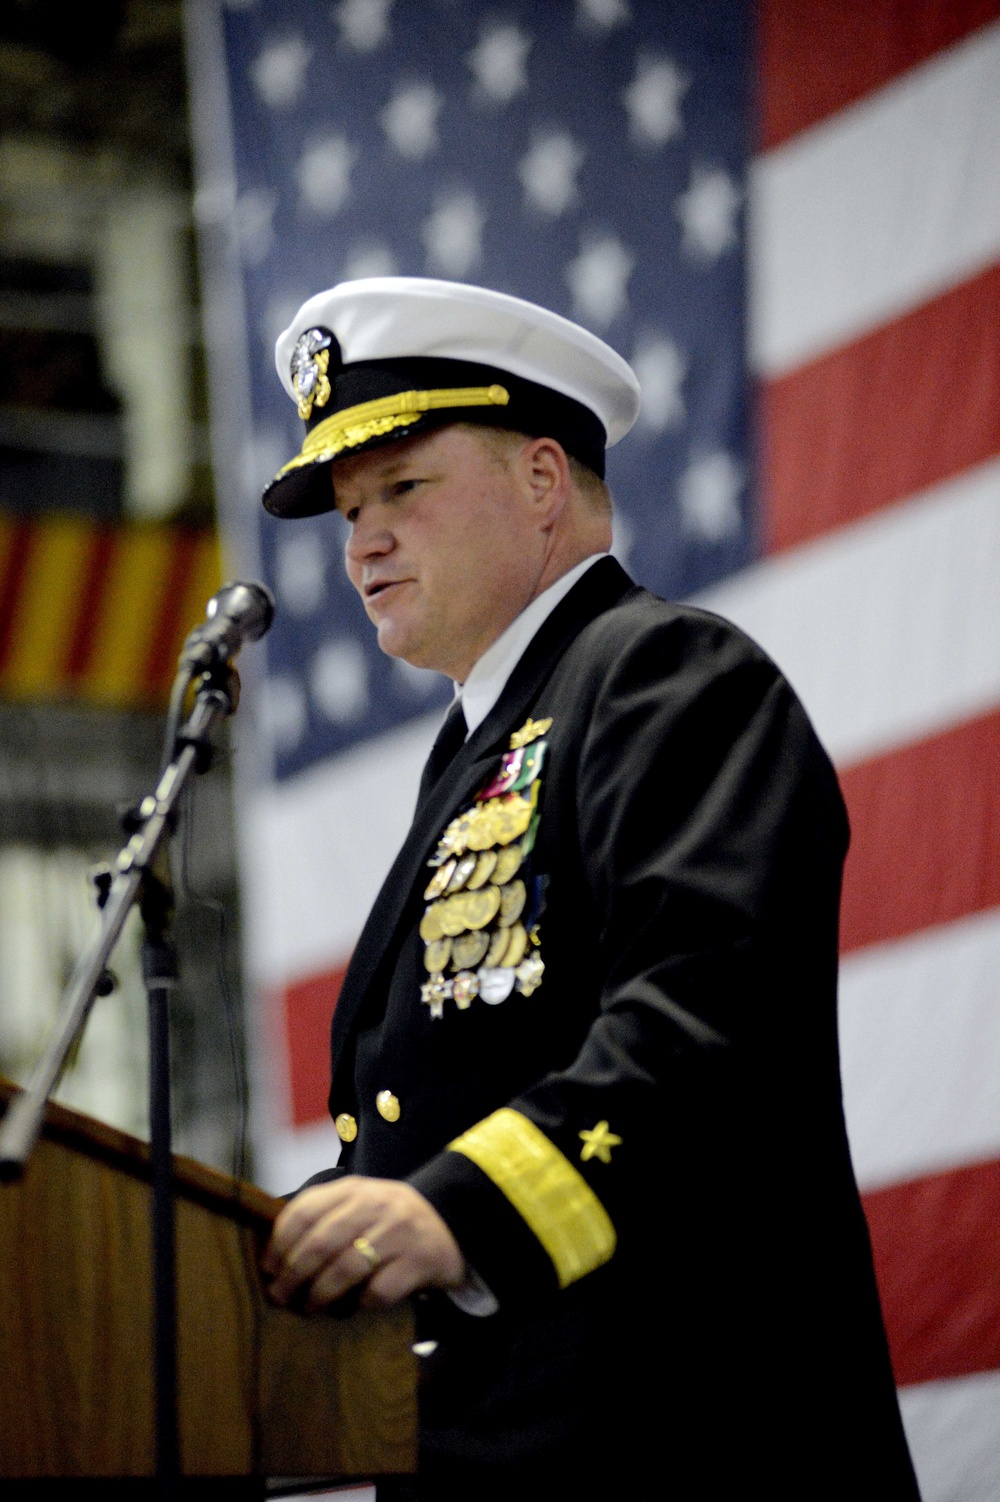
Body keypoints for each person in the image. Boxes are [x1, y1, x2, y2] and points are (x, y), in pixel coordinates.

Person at [259, 278, 920, 1500]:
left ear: (542, 481)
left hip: (680, 1442)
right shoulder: (484, 746)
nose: (361, 544)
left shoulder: (665, 674)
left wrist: (455, 1210)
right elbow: (438, 1099)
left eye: (401, 488)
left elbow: (706, 1013)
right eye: (350, 511)